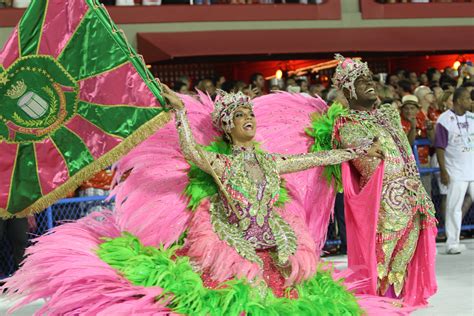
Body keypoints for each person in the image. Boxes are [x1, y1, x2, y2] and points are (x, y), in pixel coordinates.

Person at [5, 86, 406, 315]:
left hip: (276, 244)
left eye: (252, 114)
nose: (250, 119)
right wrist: (179, 115)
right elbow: (191, 153)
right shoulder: (218, 161)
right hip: (231, 245)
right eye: (241, 116)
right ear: (228, 128)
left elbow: (315, 158)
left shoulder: (271, 160)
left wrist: (354, 151)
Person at [330, 54, 437, 305]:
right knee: (381, 257)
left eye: (369, 79)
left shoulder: (387, 114)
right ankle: (379, 303)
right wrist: (369, 149)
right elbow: (366, 161)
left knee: (404, 258)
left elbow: (402, 149)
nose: (369, 84)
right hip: (383, 201)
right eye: (360, 81)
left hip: (412, 195)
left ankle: (396, 301)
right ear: (348, 90)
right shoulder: (346, 121)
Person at [435, 87, 474, 254]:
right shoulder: (444, 120)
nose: (470, 101)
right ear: (458, 101)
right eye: (467, 98)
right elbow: (439, 147)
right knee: (454, 207)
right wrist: (443, 171)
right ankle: (452, 243)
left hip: (472, 167)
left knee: (456, 207)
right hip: (455, 170)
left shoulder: (472, 117)